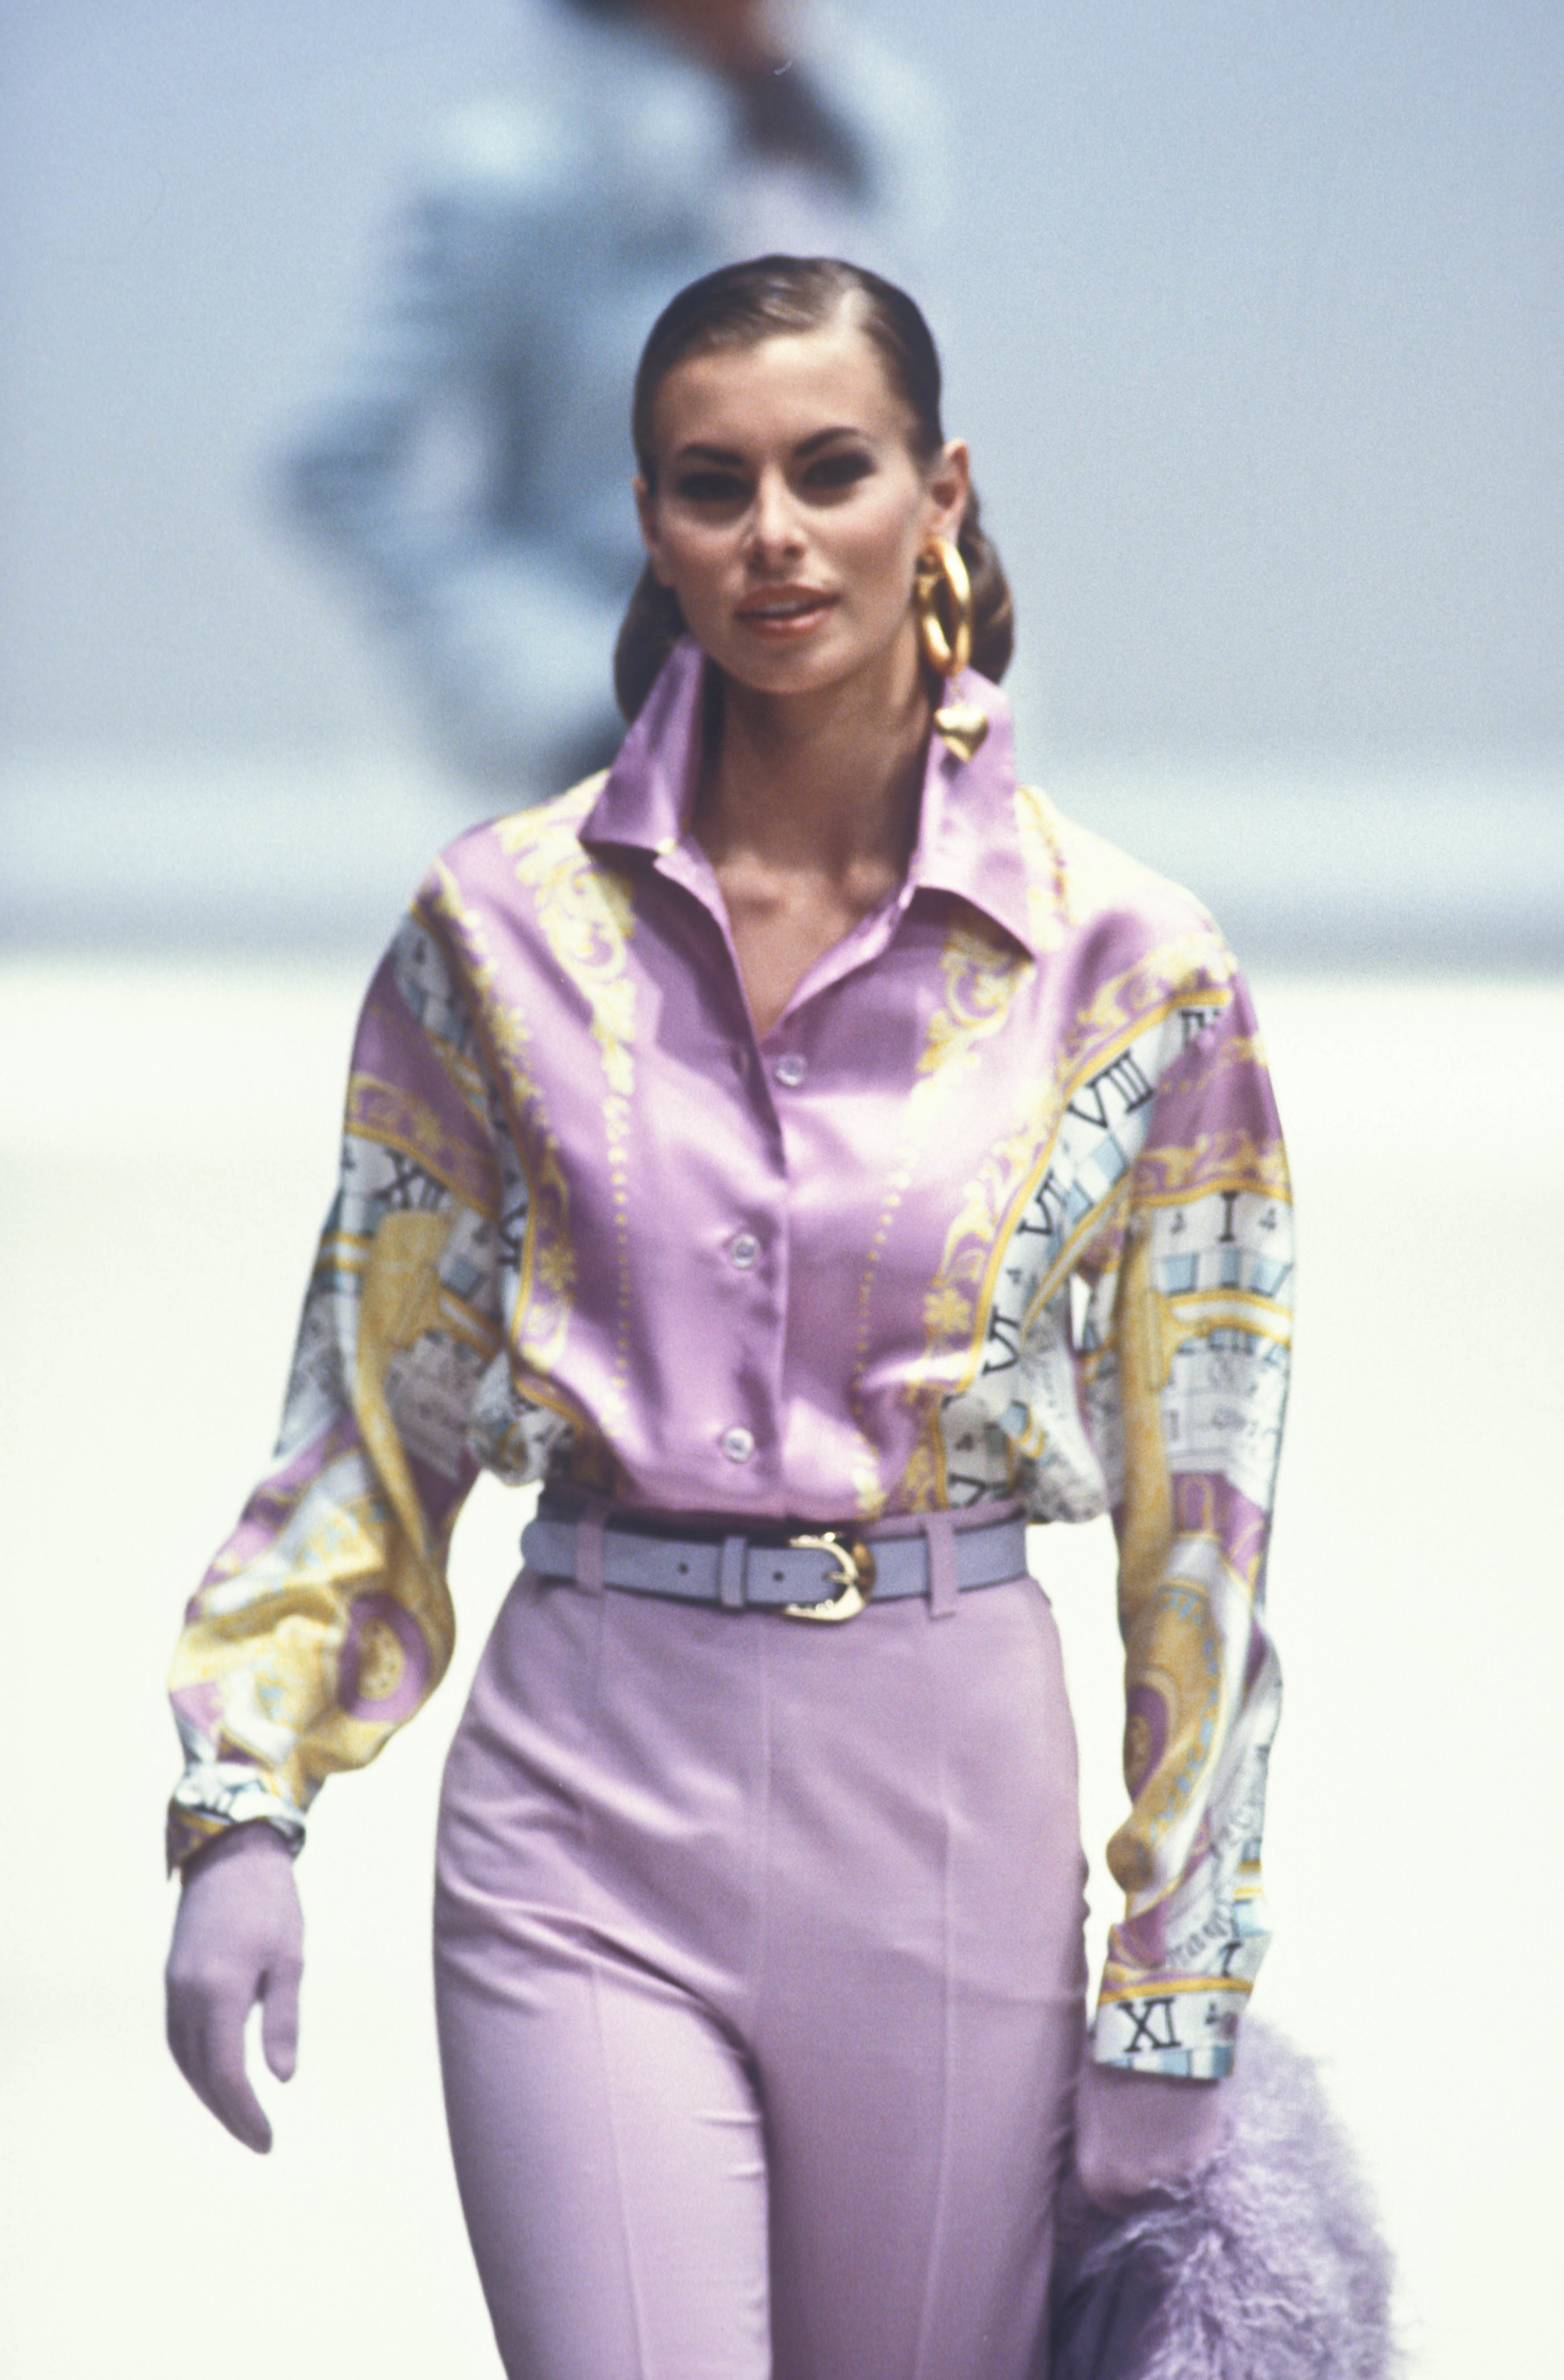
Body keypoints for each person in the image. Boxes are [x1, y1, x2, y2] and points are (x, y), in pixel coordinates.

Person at [167, 256, 1291, 2380]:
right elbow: (371, 1405)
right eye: (712, 483)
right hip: (581, 1784)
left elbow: (1203, 1519)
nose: (771, 531)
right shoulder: (495, 929)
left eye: (827, 469)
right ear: (650, 521)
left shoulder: (1132, 968)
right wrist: (242, 1800)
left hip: (940, 1793)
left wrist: (1178, 1979)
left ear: (937, 496)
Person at [279, 0, 941, 800]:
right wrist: (568, 692)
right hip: (649, 729)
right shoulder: (522, 174)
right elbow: (338, 466)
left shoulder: (857, 142)